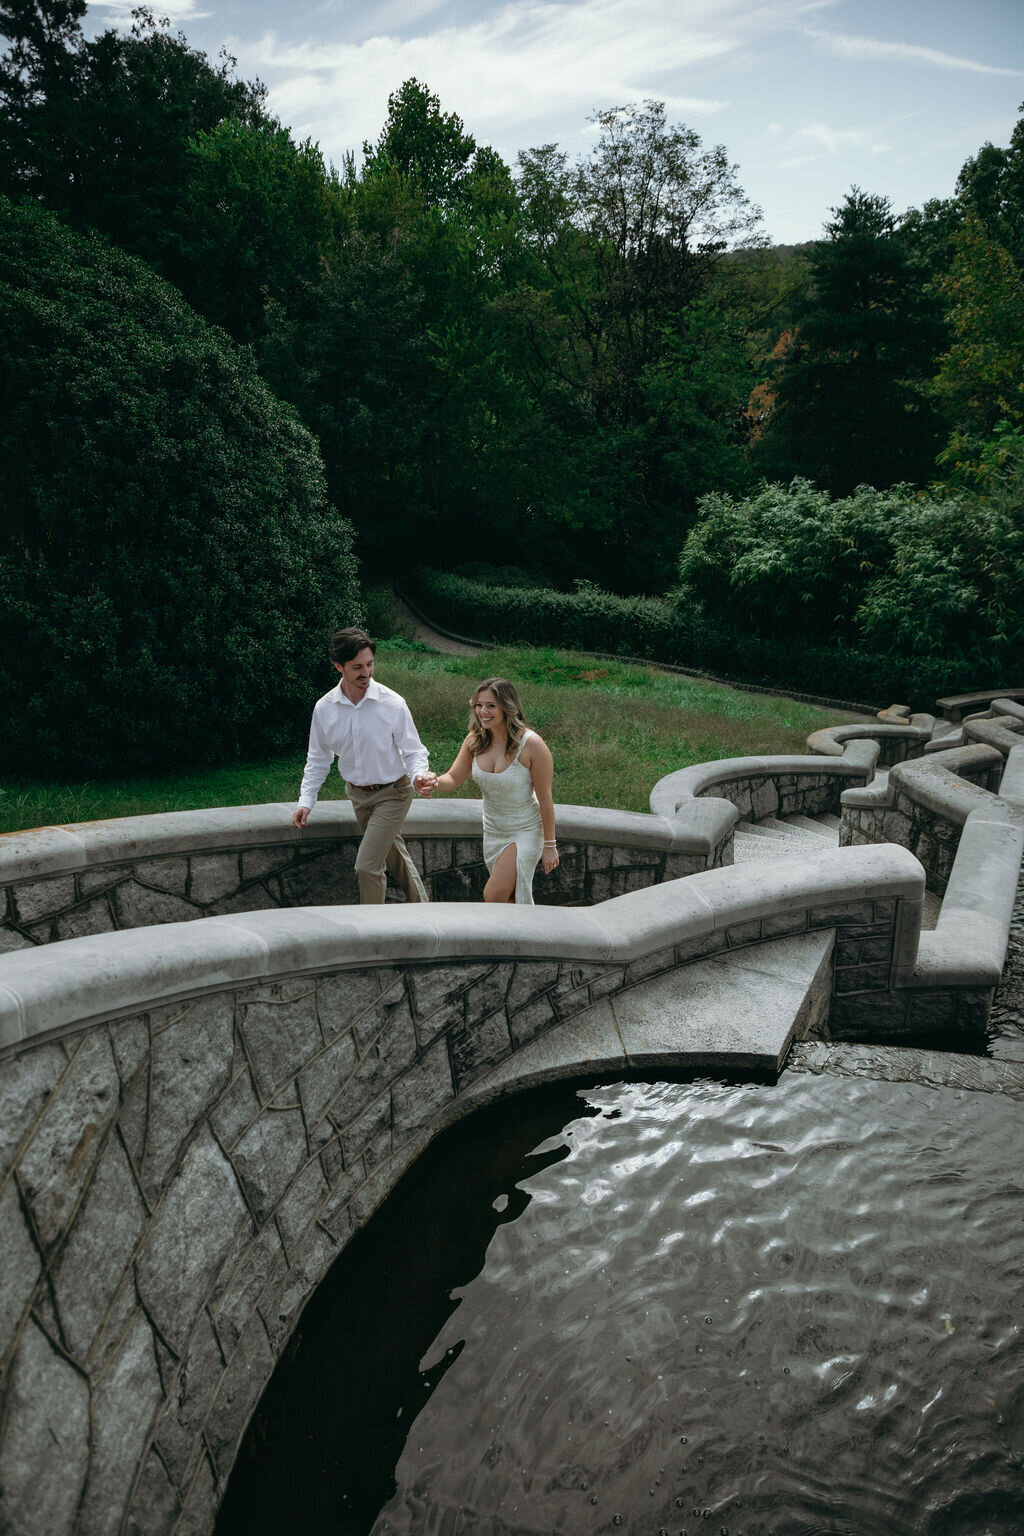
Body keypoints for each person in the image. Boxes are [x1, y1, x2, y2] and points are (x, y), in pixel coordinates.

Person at [292, 627, 433, 904]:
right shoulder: (324, 709)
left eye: (369, 664)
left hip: (394, 793)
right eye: (357, 667)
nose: (366, 672)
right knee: (394, 856)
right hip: (358, 796)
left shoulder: (392, 704)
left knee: (367, 866)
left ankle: (375, 933)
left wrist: (419, 775)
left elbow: (414, 751)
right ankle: (427, 912)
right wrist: (305, 801)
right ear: (338, 666)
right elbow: (318, 759)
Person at [422, 677, 558, 904]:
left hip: (525, 831)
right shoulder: (475, 740)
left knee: (493, 895)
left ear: (507, 706)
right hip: (493, 830)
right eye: (478, 705)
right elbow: (453, 778)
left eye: (491, 706)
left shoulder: (532, 745)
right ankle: (520, 938)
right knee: (509, 899)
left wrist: (550, 846)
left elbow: (545, 798)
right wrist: (434, 782)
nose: (483, 711)